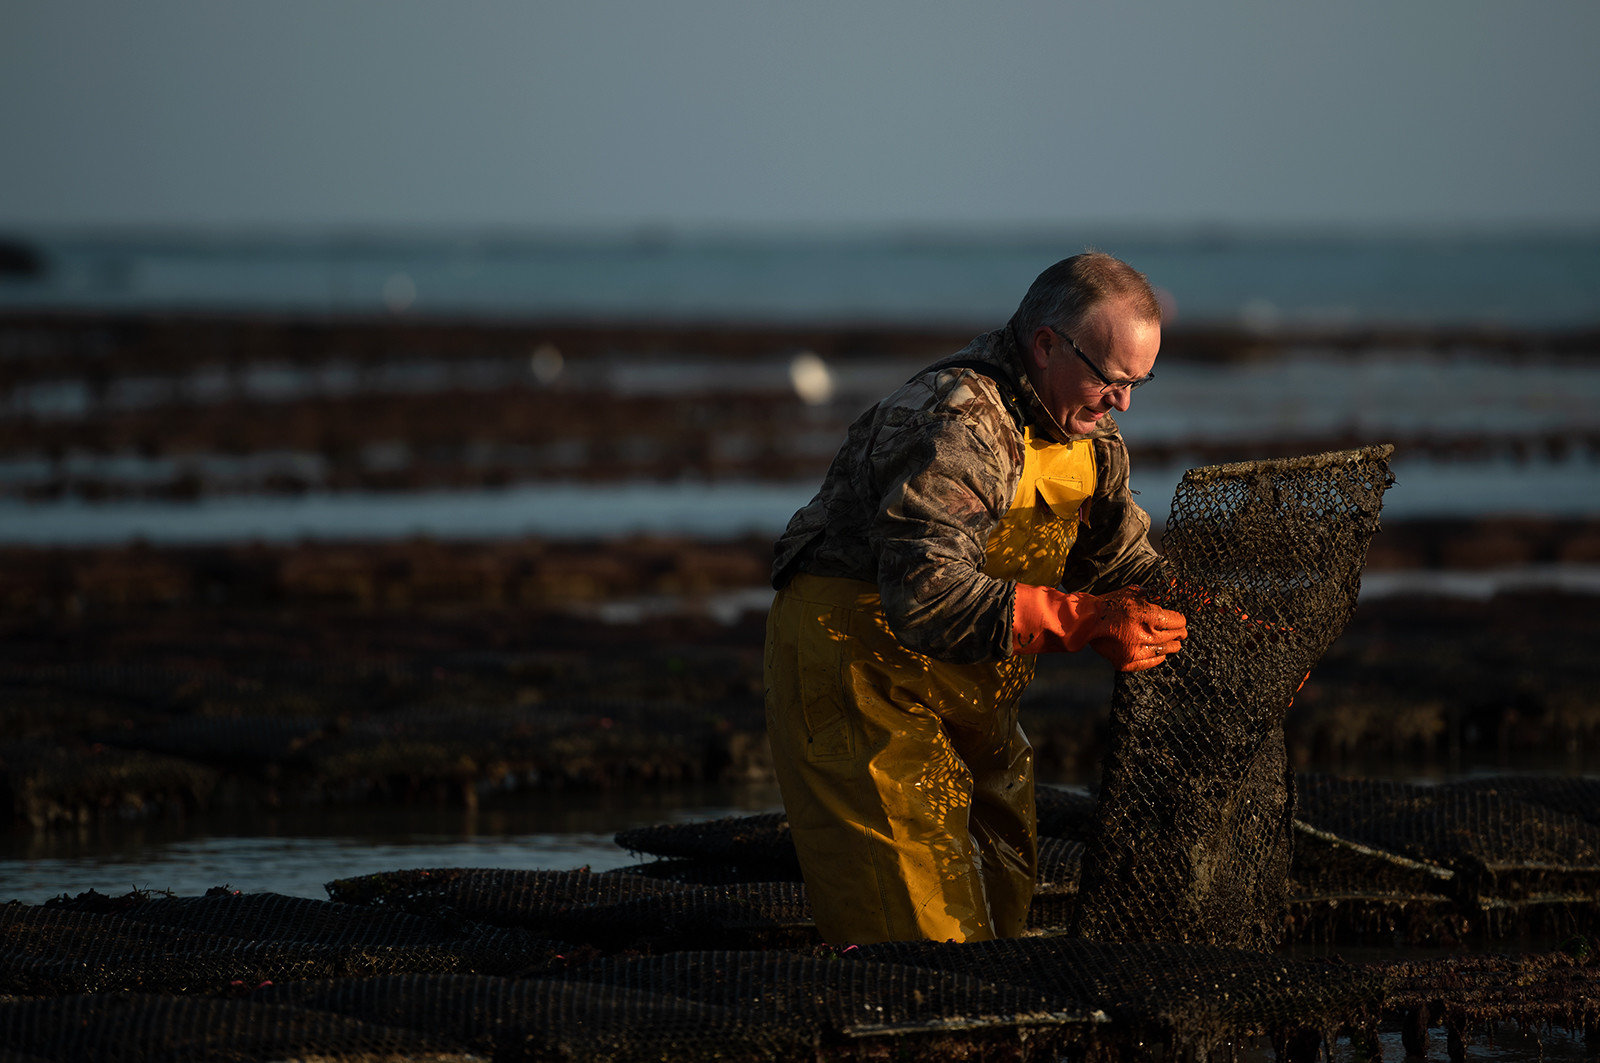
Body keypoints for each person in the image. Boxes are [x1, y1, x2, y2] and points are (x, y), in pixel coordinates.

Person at [763, 252, 1188, 945]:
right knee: (924, 939)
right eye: (1111, 379)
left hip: (974, 693)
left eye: (1138, 382)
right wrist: (1084, 622)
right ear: (1047, 344)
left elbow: (1122, 565)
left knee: (1002, 904)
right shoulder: (961, 421)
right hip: (859, 675)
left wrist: (1225, 633)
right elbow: (925, 590)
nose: (1124, 403)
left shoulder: (1088, 431)